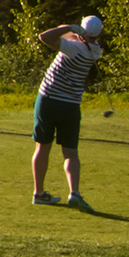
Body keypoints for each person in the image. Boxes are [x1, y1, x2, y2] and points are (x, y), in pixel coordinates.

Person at [30, 15, 105, 210]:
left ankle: (39, 193)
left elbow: (44, 37)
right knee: (70, 153)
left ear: (82, 31)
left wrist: (71, 27)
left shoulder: (72, 47)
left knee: (42, 147)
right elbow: (74, 36)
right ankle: (75, 193)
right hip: (70, 105)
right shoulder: (96, 50)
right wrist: (78, 31)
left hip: (48, 100)